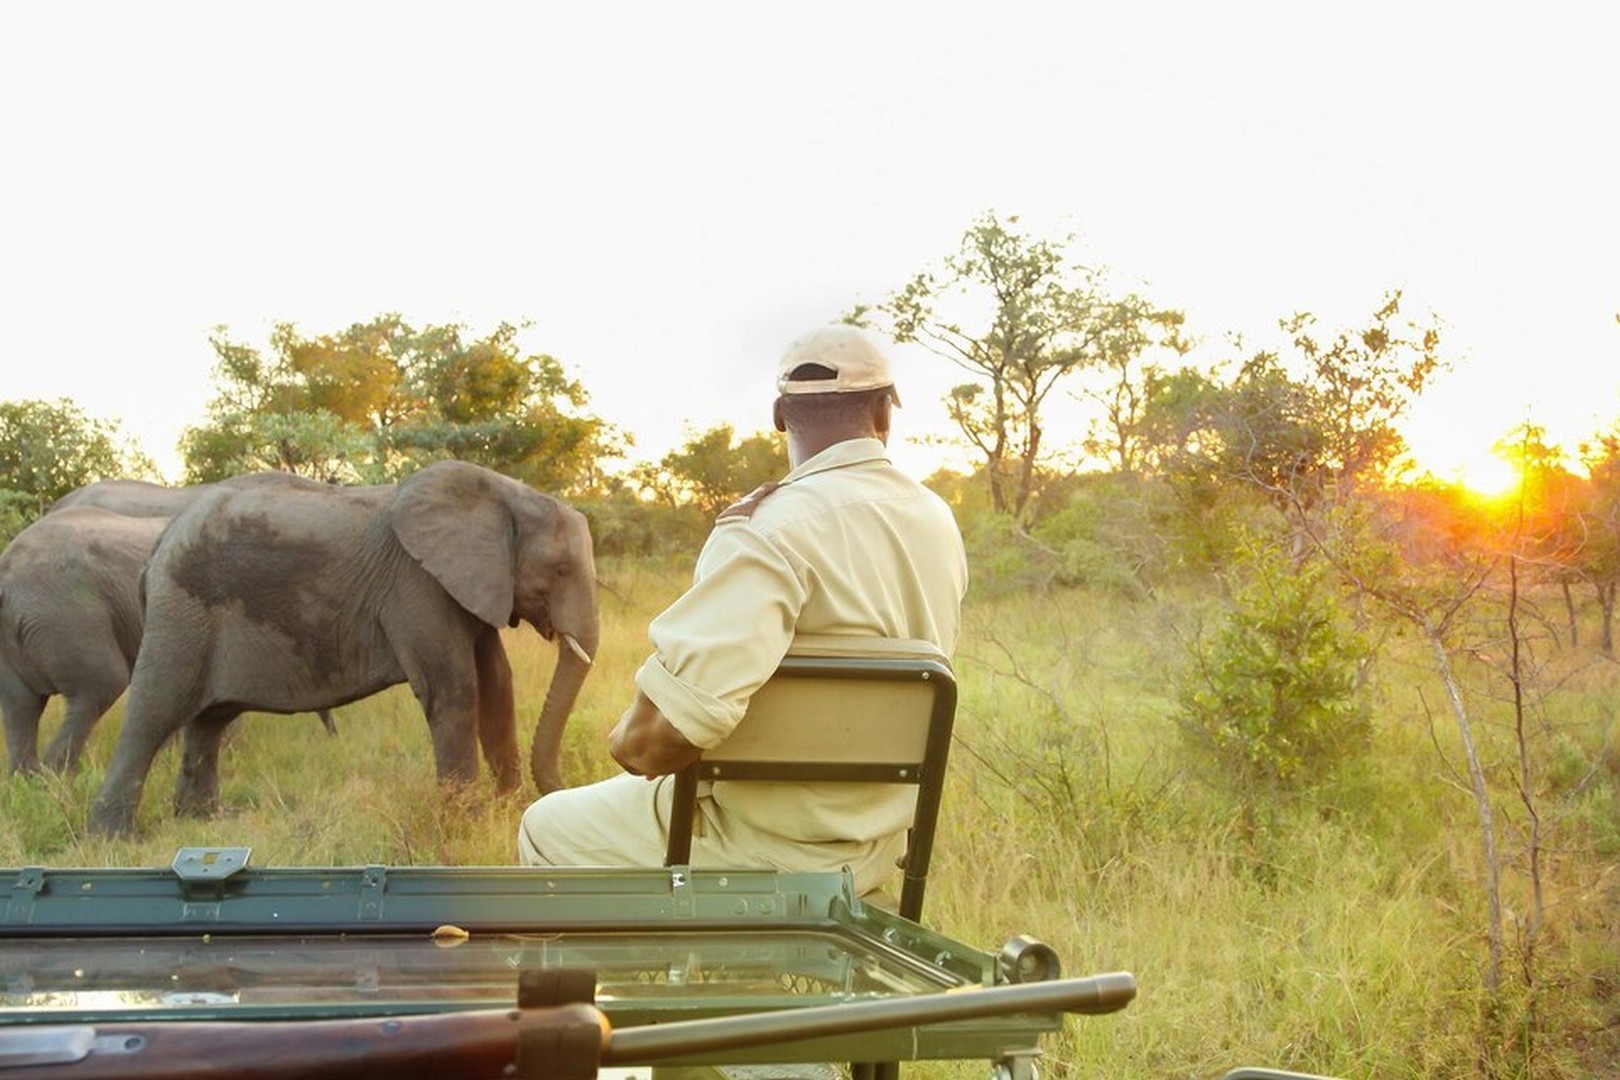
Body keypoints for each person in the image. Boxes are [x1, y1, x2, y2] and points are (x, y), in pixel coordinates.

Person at [516, 324, 969, 896]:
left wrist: (624, 740)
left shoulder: (768, 529)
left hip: (763, 840)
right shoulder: (937, 520)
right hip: (878, 846)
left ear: (781, 417)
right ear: (885, 414)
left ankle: (639, 984)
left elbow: (655, 745)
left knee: (545, 826)